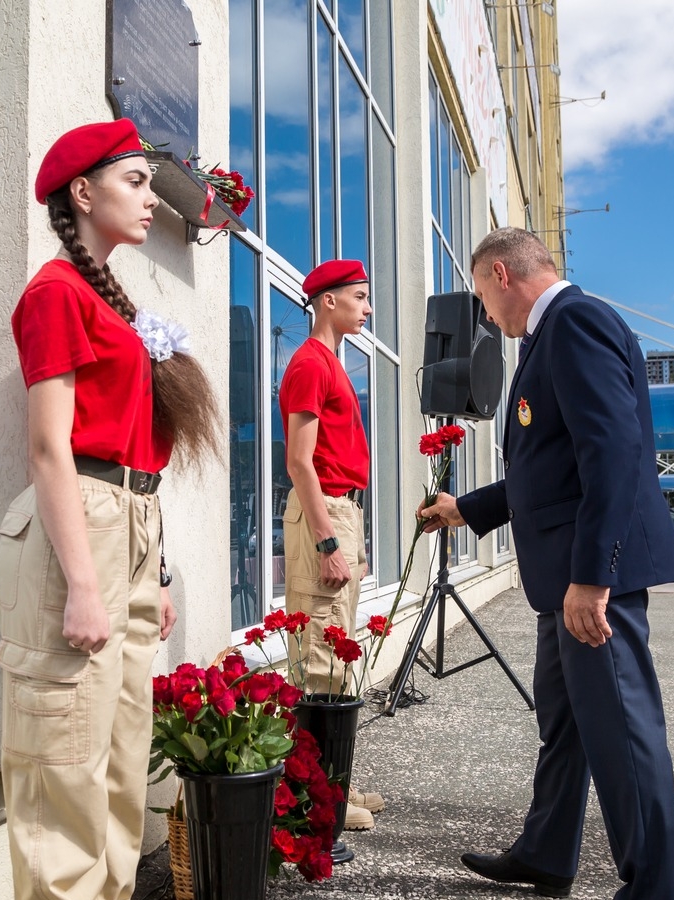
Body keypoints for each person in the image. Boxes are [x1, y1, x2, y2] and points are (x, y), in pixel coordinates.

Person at [420, 227, 674, 900]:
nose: (487, 317)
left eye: (483, 297)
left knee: (623, 733)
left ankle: (655, 889)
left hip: (589, 579)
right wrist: (467, 508)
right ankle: (547, 853)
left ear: (502, 275)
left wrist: (593, 578)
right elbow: (553, 467)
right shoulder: (552, 334)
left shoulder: (575, 322)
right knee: (567, 726)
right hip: (564, 579)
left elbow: (612, 453)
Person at [0, 118, 220, 900]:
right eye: (136, 182)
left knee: (122, 762)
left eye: (151, 184)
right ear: (83, 194)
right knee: (64, 765)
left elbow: (138, 455)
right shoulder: (56, 293)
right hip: (79, 526)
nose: (151, 199)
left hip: (129, 523)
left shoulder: (110, 300)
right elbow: (48, 448)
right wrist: (85, 584)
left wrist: (155, 572)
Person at [277, 258, 381, 832]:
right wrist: (326, 541)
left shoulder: (329, 363)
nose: (368, 307)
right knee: (319, 658)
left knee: (336, 651)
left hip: (342, 508)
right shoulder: (310, 364)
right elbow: (299, 462)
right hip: (324, 512)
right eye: (359, 297)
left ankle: (333, 783)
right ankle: (315, 801)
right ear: (327, 301)